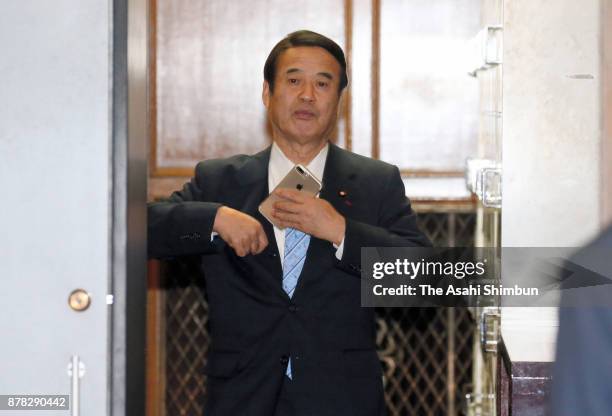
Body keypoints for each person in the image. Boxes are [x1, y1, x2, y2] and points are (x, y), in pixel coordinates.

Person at [148, 30, 431, 416]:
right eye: (294, 81)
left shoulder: (375, 182)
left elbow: (426, 281)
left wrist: (342, 232)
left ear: (339, 101)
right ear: (267, 93)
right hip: (243, 399)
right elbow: (141, 230)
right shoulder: (219, 181)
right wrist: (215, 217)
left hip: (343, 401)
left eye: (322, 83)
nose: (307, 96)